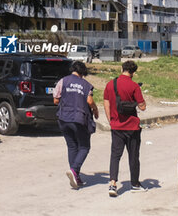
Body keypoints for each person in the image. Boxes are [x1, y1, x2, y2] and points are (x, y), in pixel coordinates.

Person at [104, 60, 147, 197]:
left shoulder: (111, 84)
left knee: (115, 155)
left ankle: (112, 183)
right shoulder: (134, 86)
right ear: (133, 72)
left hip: (116, 125)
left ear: (121, 68)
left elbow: (106, 103)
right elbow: (142, 107)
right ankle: (135, 184)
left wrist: (111, 120)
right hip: (132, 127)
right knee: (133, 156)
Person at [53, 60, 99, 189]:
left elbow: (56, 100)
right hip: (79, 119)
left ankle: (75, 177)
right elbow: (89, 101)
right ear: (83, 72)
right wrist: (95, 110)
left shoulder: (63, 81)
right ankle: (74, 170)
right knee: (84, 147)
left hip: (63, 118)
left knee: (72, 146)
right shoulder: (85, 85)